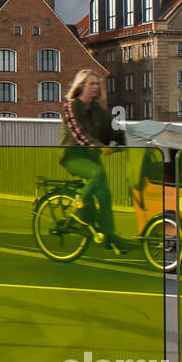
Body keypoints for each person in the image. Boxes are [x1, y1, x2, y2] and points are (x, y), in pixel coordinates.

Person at [59, 69, 129, 253]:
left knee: (105, 195)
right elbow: (79, 134)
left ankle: (110, 235)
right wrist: (99, 146)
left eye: (98, 84)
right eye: (92, 83)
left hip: (91, 157)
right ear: (81, 86)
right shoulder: (71, 106)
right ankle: (79, 212)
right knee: (97, 173)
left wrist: (131, 142)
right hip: (73, 156)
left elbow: (113, 130)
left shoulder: (99, 110)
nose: (96, 87)